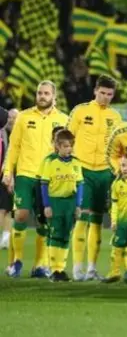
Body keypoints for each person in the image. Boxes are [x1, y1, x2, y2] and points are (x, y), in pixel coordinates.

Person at [3, 81, 69, 278]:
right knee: (21, 215)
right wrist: (8, 172)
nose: (42, 96)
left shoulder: (63, 120)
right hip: (25, 174)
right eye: (40, 93)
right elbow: (14, 146)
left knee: (44, 221)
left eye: (46, 93)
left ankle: (39, 265)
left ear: (54, 97)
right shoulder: (23, 117)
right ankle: (16, 262)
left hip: (48, 177)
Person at [67, 74, 122, 281]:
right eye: (102, 93)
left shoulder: (115, 117)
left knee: (98, 220)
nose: (106, 97)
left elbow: (117, 145)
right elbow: (67, 137)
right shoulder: (80, 111)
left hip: (104, 172)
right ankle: (77, 268)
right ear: (95, 91)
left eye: (109, 94)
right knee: (82, 217)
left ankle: (91, 268)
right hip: (83, 170)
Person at [40, 129, 83, 282]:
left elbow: (80, 184)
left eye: (70, 146)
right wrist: (47, 205)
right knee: (55, 234)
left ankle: (62, 268)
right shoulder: (49, 161)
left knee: (66, 234)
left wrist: (78, 205)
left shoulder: (76, 162)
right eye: (65, 146)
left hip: (70, 202)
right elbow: (44, 184)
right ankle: (54, 269)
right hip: (55, 201)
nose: (68, 149)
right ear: (57, 146)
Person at [103, 153, 127, 284]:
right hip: (122, 222)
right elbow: (114, 204)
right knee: (117, 246)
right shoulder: (116, 184)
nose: (125, 169)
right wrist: (113, 221)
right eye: (123, 165)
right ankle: (114, 272)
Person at [0, 108, 18, 249]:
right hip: (4, 174)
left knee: (9, 208)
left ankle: (6, 237)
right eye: (10, 117)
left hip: (17, 174)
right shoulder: (3, 133)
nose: (11, 119)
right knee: (2, 208)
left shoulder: (21, 134)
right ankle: (5, 237)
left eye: (14, 117)